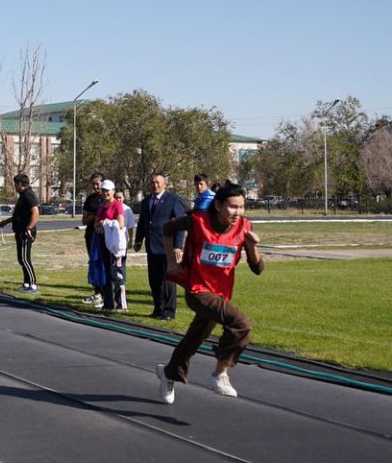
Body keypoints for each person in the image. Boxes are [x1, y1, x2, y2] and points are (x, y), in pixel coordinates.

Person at [153, 182, 265, 404]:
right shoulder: (198, 222)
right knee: (241, 324)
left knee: (195, 337)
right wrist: (171, 260)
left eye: (241, 207)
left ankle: (169, 372)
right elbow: (167, 228)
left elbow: (258, 269)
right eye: (232, 207)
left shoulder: (244, 227)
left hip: (220, 293)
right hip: (197, 290)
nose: (237, 212)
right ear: (218, 205)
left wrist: (252, 246)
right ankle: (220, 373)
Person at [134, 172, 187, 320]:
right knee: (154, 280)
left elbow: (180, 224)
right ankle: (158, 308)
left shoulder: (173, 200)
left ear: (165, 184)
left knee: (168, 280)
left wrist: (178, 246)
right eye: (152, 182)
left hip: (167, 248)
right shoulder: (146, 201)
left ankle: (169, 311)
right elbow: (143, 222)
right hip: (151, 247)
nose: (155, 185)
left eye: (158, 182)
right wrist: (138, 240)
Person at [0, 173, 39, 293]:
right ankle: (26, 283)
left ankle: (33, 285)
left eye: (15, 184)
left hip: (26, 232)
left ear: (20, 184)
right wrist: (6, 221)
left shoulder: (28, 195)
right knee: (21, 259)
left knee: (25, 259)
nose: (14, 186)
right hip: (19, 231)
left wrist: (29, 228)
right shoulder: (23, 195)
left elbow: (35, 213)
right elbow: (19, 215)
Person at [94, 180, 127, 312]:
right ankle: (108, 303)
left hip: (114, 244)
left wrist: (106, 223)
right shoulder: (102, 206)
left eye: (107, 191)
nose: (105, 193)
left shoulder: (117, 205)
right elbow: (96, 224)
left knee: (116, 274)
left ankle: (121, 304)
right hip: (103, 242)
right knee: (106, 273)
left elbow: (120, 224)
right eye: (103, 190)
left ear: (113, 191)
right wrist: (100, 226)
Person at [80, 173, 106, 307]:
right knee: (94, 264)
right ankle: (97, 293)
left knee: (105, 264)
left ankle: (107, 294)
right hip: (91, 235)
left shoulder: (108, 197)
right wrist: (94, 215)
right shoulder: (90, 199)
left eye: (98, 184)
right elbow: (84, 220)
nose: (96, 187)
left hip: (105, 236)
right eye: (93, 184)